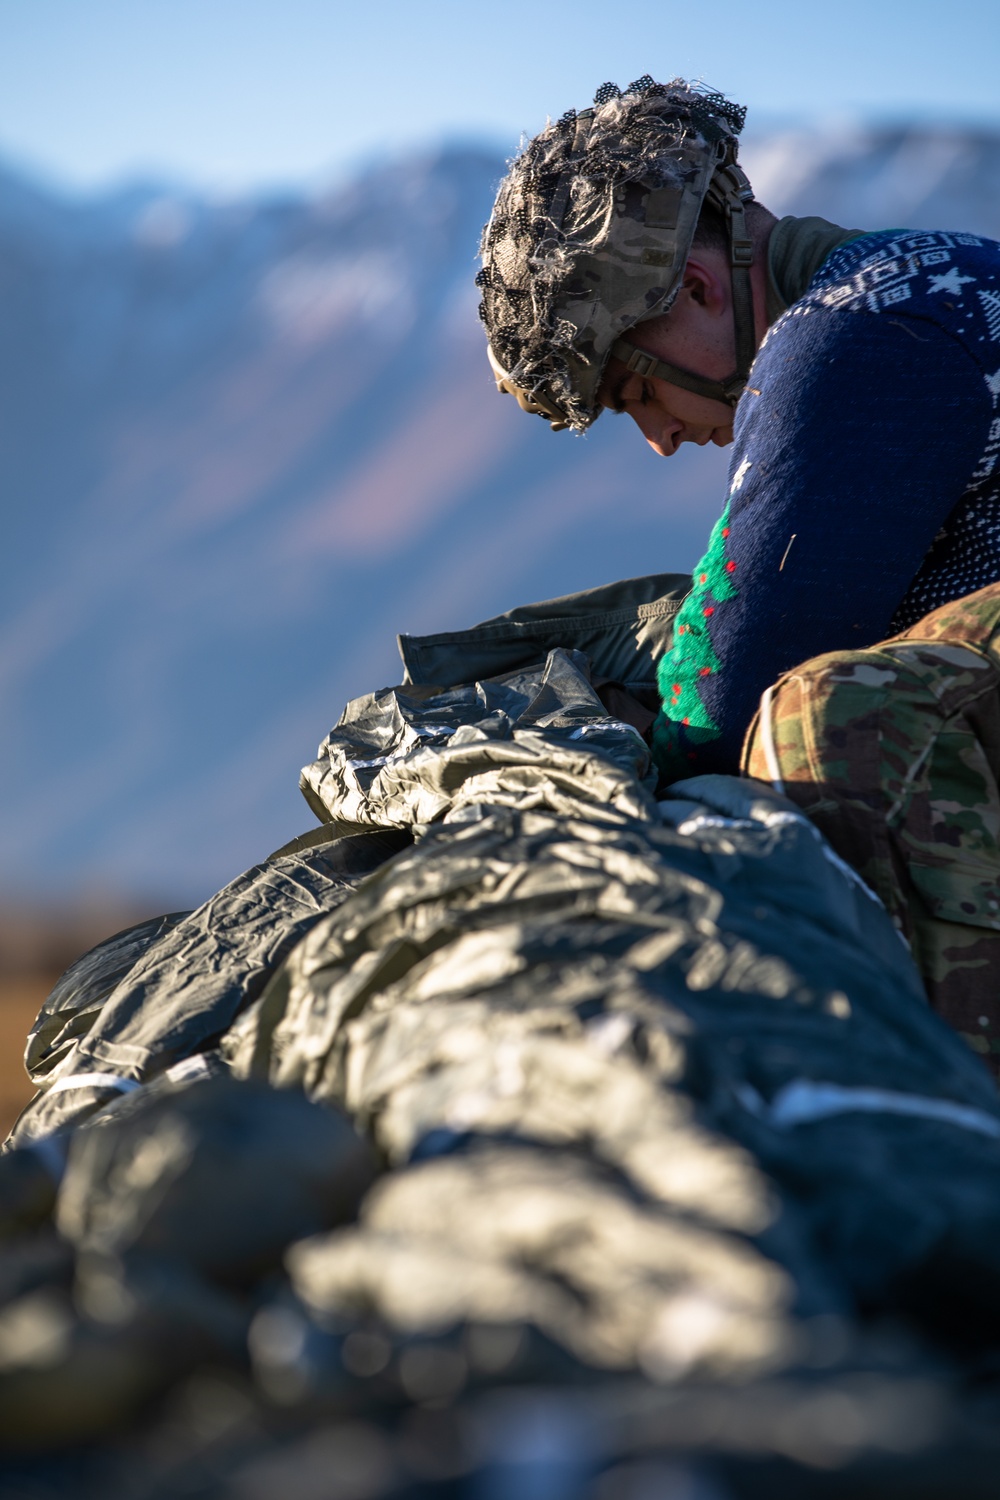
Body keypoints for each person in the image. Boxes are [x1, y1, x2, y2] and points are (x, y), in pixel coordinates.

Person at [477, 76, 1000, 784]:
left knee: (800, 733)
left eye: (638, 392)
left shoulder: (851, 341)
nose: (660, 437)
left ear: (697, 288)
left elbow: (727, 703)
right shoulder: (927, 270)